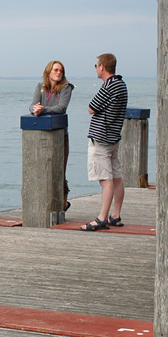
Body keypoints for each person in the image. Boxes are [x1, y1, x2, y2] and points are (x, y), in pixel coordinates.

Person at [80, 53, 128, 231]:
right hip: (113, 137)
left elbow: (92, 108)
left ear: (102, 67)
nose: (96, 68)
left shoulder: (109, 86)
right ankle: (115, 215)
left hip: (101, 138)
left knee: (105, 179)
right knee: (116, 177)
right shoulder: (121, 84)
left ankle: (101, 218)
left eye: (96, 65)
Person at [30, 60, 74, 211]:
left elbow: (61, 108)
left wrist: (44, 110)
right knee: (43, 170)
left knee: (60, 169)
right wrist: (35, 109)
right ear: (48, 72)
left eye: (61, 70)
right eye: (55, 70)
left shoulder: (66, 87)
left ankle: (63, 203)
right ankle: (44, 204)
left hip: (60, 135)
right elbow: (32, 104)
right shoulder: (40, 87)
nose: (58, 72)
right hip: (43, 135)